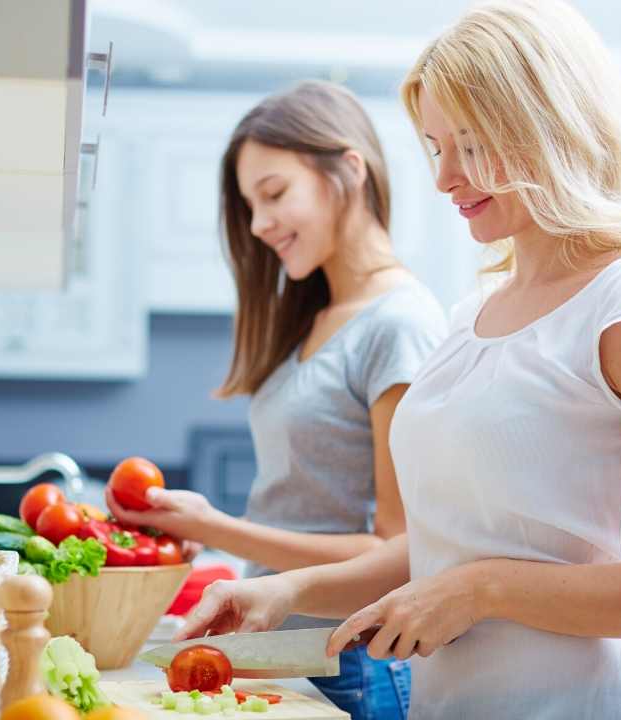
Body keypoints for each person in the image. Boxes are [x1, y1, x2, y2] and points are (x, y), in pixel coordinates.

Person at [170, 2, 621, 718]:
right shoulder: (473, 314)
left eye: (472, 144)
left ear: (550, 125)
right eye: (434, 146)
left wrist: (483, 588)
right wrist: (287, 591)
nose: (445, 177)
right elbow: (442, 549)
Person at [107, 80, 448, 720]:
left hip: (347, 656)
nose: (260, 225)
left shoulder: (398, 325)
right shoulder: (319, 316)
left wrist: (209, 524)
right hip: (286, 645)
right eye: (250, 205)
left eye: (274, 194)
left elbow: (396, 548)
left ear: (349, 169)